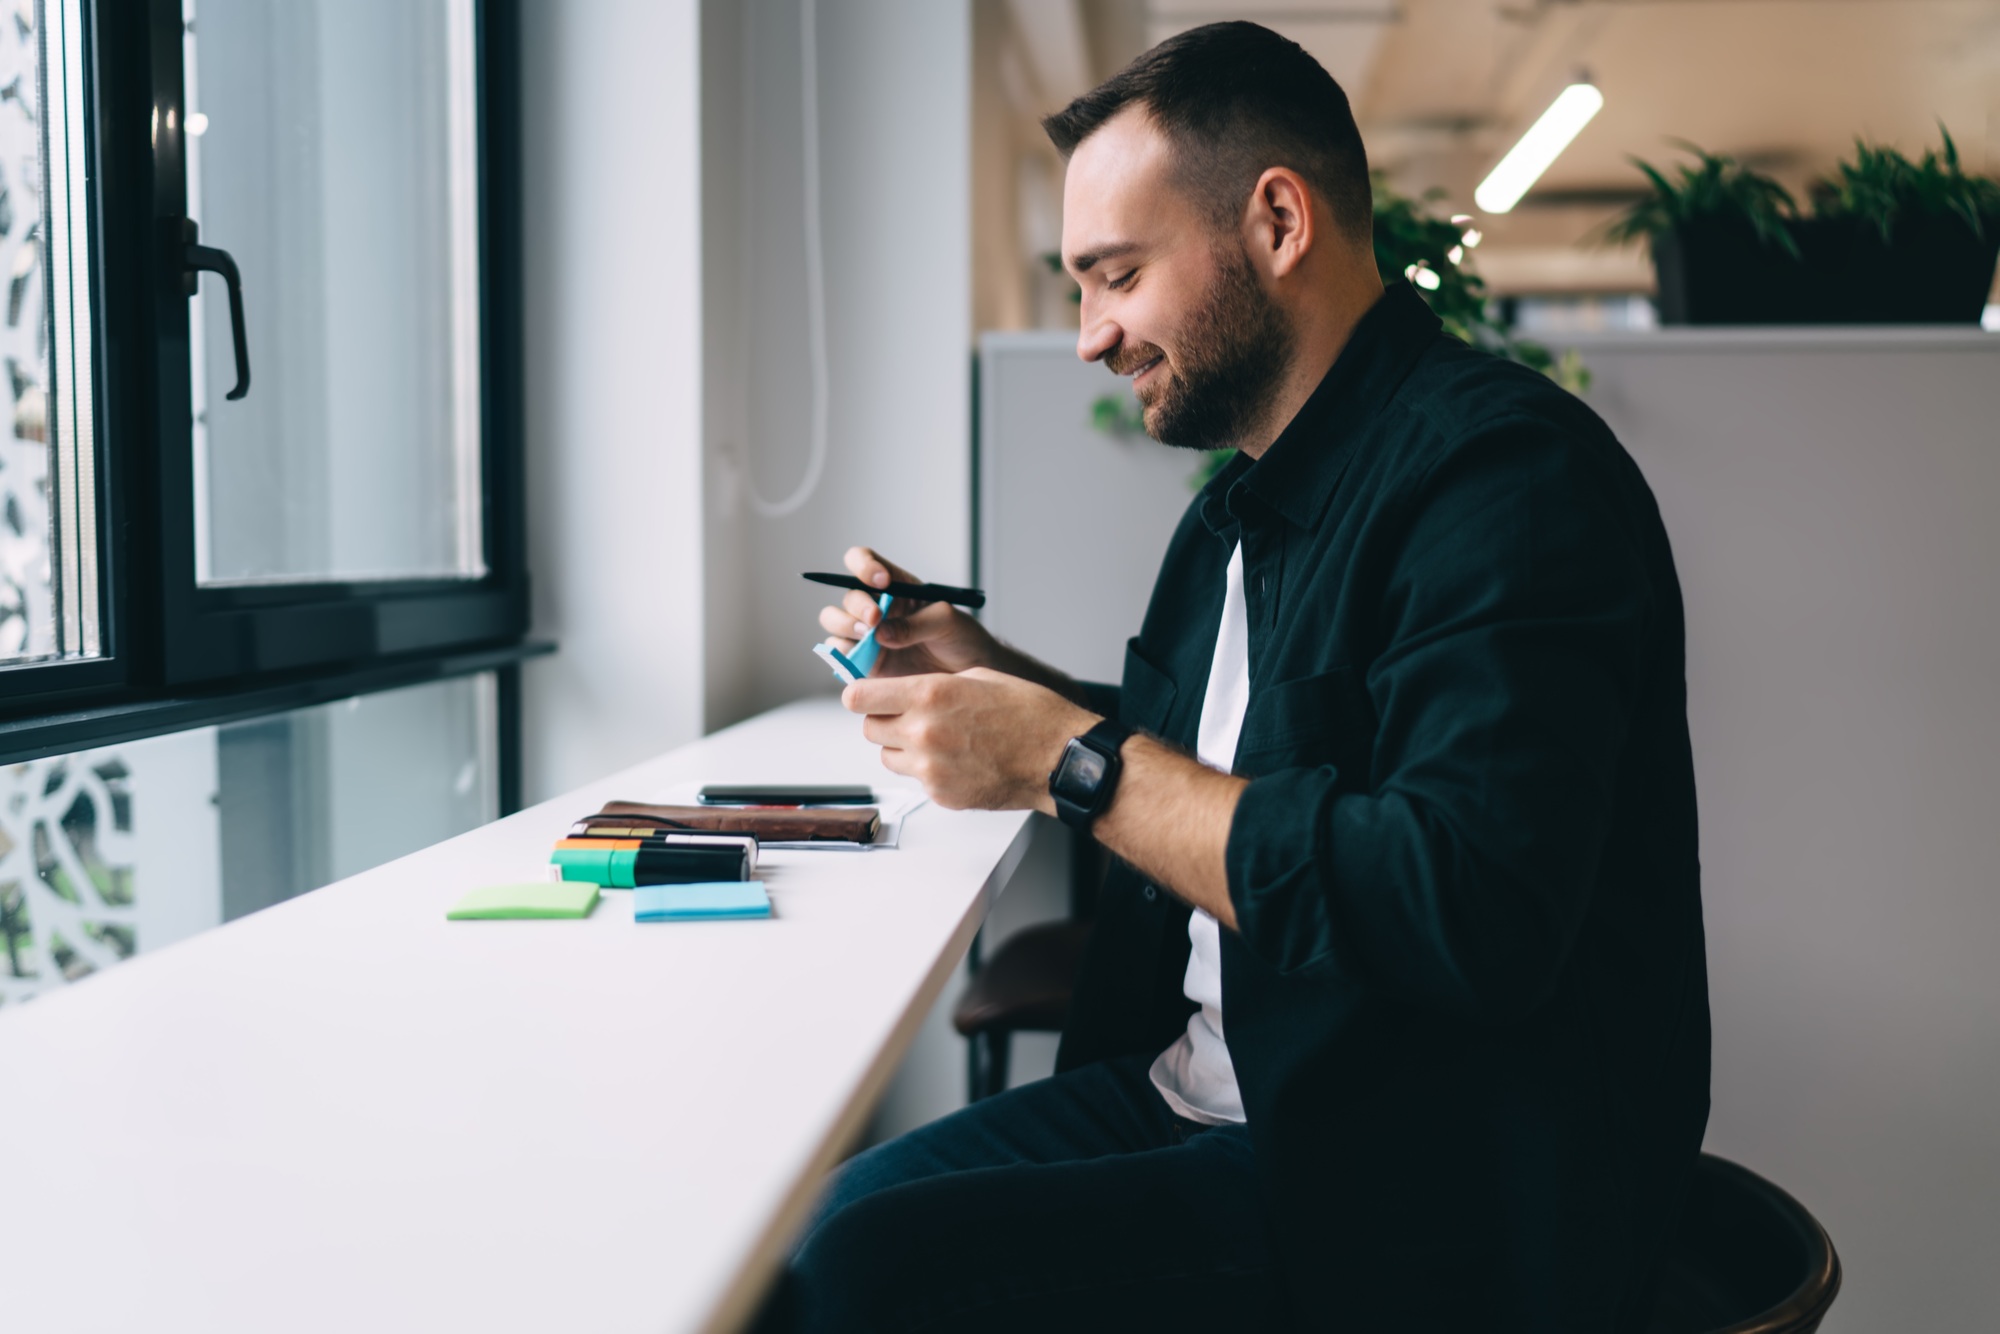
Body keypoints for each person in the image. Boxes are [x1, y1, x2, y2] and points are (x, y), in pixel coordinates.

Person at [760, 20, 1708, 1333]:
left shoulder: (1510, 481)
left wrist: (1060, 759)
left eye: (1116, 276)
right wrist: (988, 673)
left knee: (862, 1279)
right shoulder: (1239, 512)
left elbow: (1469, 904)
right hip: (1201, 1091)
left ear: (1276, 221)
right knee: (806, 1235)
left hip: (1406, 1188)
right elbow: (1182, 759)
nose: (1091, 336)